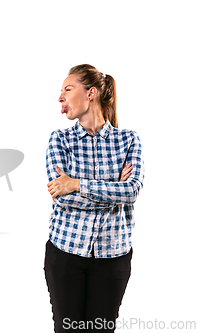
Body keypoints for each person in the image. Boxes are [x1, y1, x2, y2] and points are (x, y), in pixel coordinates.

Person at [45, 64, 145, 332]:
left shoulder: (128, 140)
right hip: (66, 253)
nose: (60, 97)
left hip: (113, 257)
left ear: (91, 93)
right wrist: (114, 191)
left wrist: (76, 184)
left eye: (68, 89)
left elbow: (133, 190)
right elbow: (62, 198)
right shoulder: (60, 140)